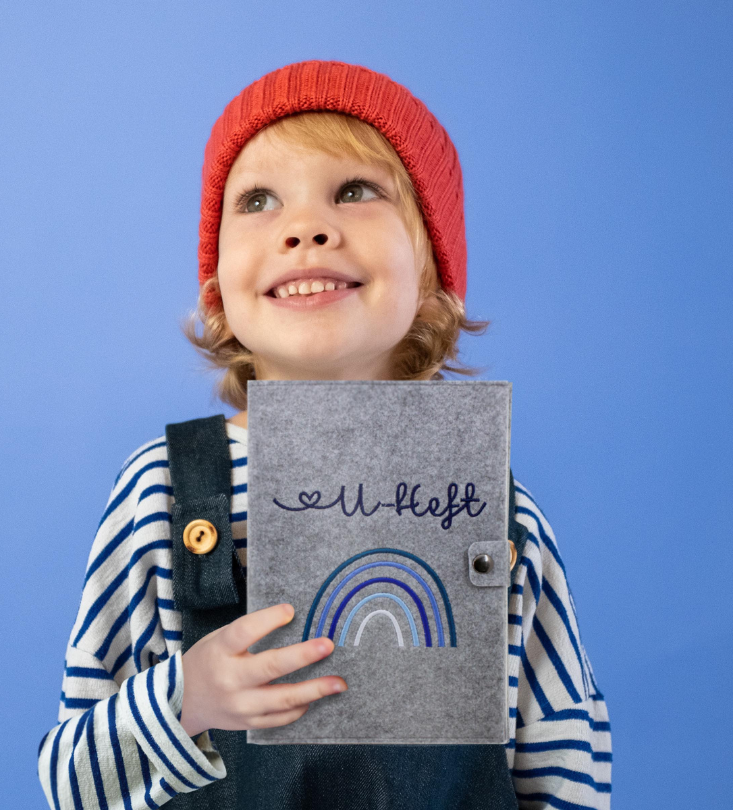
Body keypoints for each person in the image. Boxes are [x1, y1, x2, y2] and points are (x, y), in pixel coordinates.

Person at [37, 59, 612, 809]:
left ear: (433, 277)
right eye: (259, 200)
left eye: (354, 191)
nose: (305, 228)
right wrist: (186, 699)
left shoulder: (500, 519)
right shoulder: (166, 493)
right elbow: (68, 782)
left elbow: (566, 760)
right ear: (217, 295)